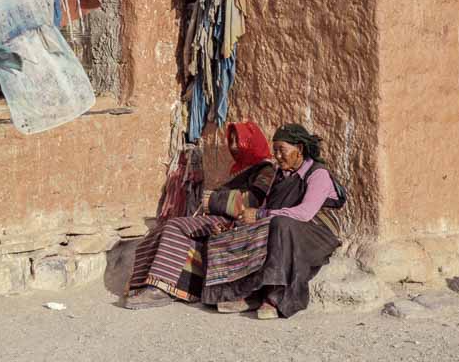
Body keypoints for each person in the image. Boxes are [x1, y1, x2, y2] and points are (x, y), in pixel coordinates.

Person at [124, 122, 276, 309]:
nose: (234, 146)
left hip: (238, 222)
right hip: (222, 218)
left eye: (240, 141)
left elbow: (252, 201)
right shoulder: (240, 170)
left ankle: (161, 289)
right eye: (232, 140)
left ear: (253, 143)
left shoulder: (266, 170)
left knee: (175, 226)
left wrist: (212, 200)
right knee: (163, 229)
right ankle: (149, 284)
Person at [201, 123, 346, 319]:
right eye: (275, 150)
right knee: (236, 232)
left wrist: (261, 216)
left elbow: (304, 213)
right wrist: (238, 224)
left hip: (317, 233)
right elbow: (266, 208)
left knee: (279, 225)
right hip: (286, 228)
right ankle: (247, 294)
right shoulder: (279, 175)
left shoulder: (318, 173)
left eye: (282, 150)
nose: (277, 156)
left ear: (299, 150)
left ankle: (275, 297)